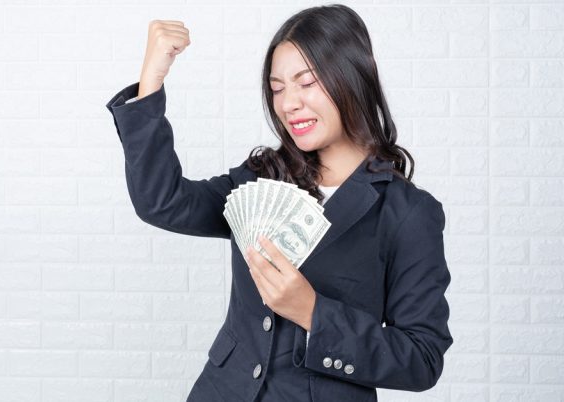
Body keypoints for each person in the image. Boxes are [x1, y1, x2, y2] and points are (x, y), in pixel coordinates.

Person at [104, 4, 452, 402]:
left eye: (307, 82)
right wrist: (151, 80)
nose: (288, 104)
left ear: (354, 76)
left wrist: (313, 312)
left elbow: (422, 358)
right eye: (277, 88)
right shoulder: (260, 179)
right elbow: (162, 201)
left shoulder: (408, 213)